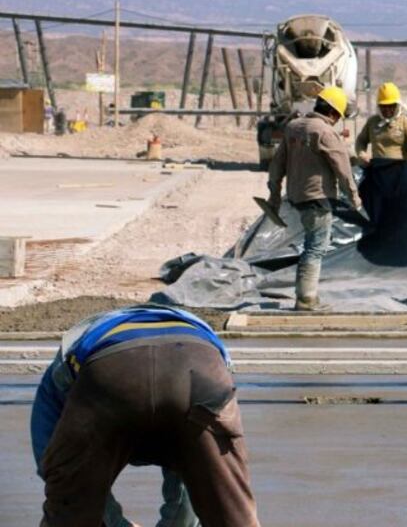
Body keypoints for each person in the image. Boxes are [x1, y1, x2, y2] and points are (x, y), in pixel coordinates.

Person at [31, 304, 259, 527]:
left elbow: (62, 473)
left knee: (69, 511)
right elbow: (195, 479)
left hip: (111, 370)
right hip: (200, 365)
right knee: (232, 511)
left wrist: (115, 523)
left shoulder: (59, 376)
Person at [267, 86, 361, 311]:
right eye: (339, 115)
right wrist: (354, 198)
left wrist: (274, 194)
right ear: (333, 112)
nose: (338, 120)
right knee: (315, 247)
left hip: (296, 196)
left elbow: (277, 164)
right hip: (317, 198)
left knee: (311, 244)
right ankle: (306, 299)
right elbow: (343, 168)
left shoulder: (293, 128)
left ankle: (306, 295)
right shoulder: (325, 132)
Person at [355, 82, 407, 163]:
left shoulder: (405, 123)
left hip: (400, 171)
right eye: (384, 106)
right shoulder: (372, 122)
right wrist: (362, 154)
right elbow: (361, 141)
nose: (387, 110)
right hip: (378, 170)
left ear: (397, 105)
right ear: (379, 106)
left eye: (391, 106)